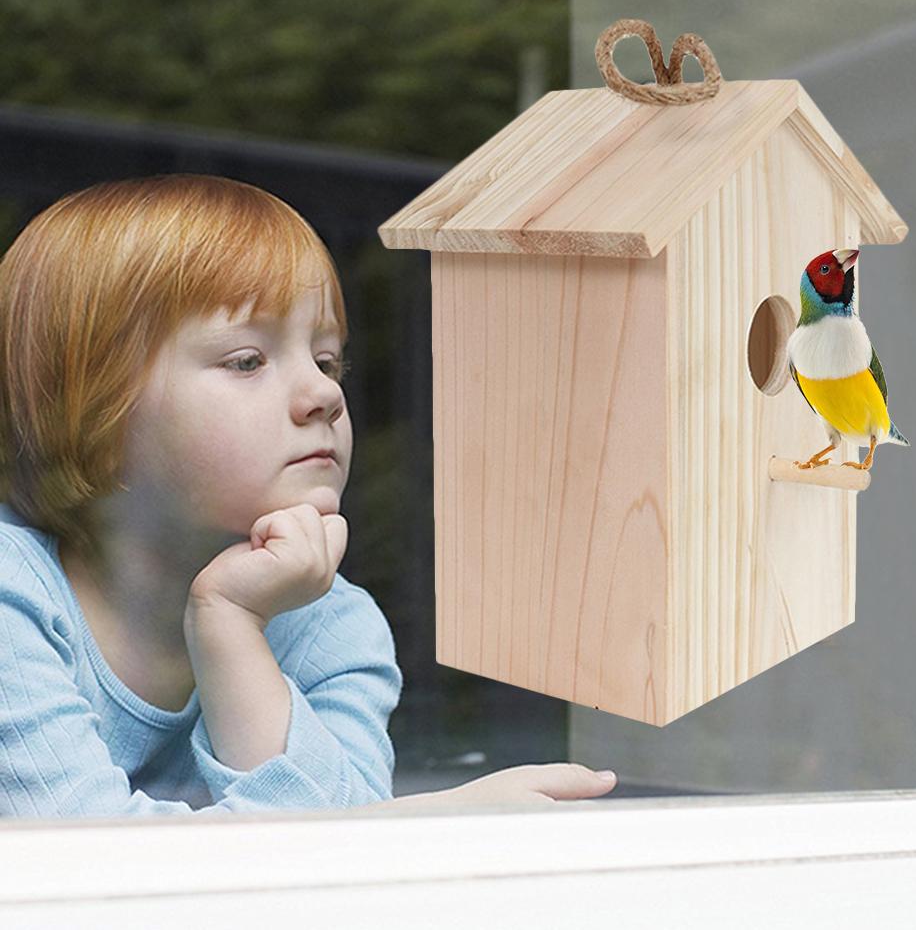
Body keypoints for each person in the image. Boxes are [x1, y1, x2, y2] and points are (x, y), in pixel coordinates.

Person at [0, 174, 617, 816]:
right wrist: (423, 823)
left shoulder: (332, 624)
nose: (326, 395)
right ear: (93, 408)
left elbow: (332, 855)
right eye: (246, 361)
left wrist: (230, 626)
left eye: (327, 361)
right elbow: (95, 874)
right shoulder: (12, 597)